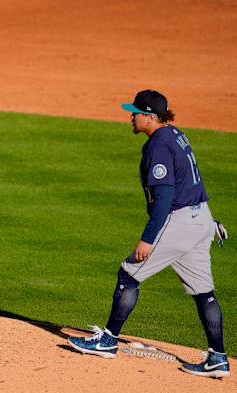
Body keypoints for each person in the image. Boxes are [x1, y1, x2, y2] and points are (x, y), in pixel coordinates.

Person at [67, 90, 229, 378]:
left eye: (136, 112)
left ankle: (107, 341)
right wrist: (206, 222)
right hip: (200, 217)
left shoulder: (157, 146)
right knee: (204, 292)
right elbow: (190, 178)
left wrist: (148, 239)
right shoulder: (175, 134)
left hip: (179, 221)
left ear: (151, 116)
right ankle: (218, 357)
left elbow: (165, 197)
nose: (131, 116)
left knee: (129, 273)